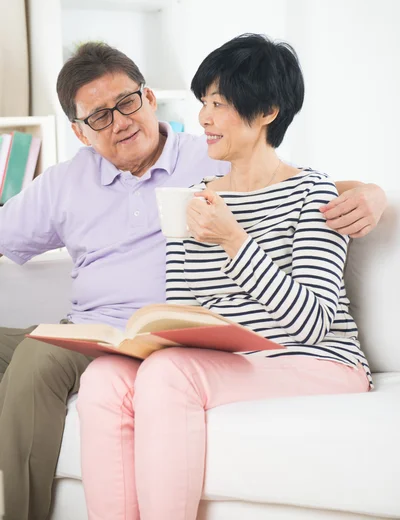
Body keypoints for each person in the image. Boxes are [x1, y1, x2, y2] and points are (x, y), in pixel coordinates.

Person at [0, 42, 385, 520]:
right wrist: (155, 337)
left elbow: (311, 322)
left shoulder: (295, 191)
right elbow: (185, 311)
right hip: (206, 354)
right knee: (103, 380)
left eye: (217, 104)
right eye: (203, 102)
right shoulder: (194, 198)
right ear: (80, 132)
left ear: (265, 111)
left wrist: (237, 242)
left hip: (313, 357)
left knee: (166, 373)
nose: (204, 118)